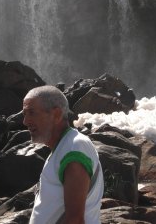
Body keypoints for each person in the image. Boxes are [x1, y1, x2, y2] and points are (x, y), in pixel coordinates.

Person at [23, 85, 104, 224]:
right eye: (24, 114)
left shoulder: (74, 148)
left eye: (32, 112)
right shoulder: (64, 147)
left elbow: (75, 220)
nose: (25, 121)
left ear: (56, 114)